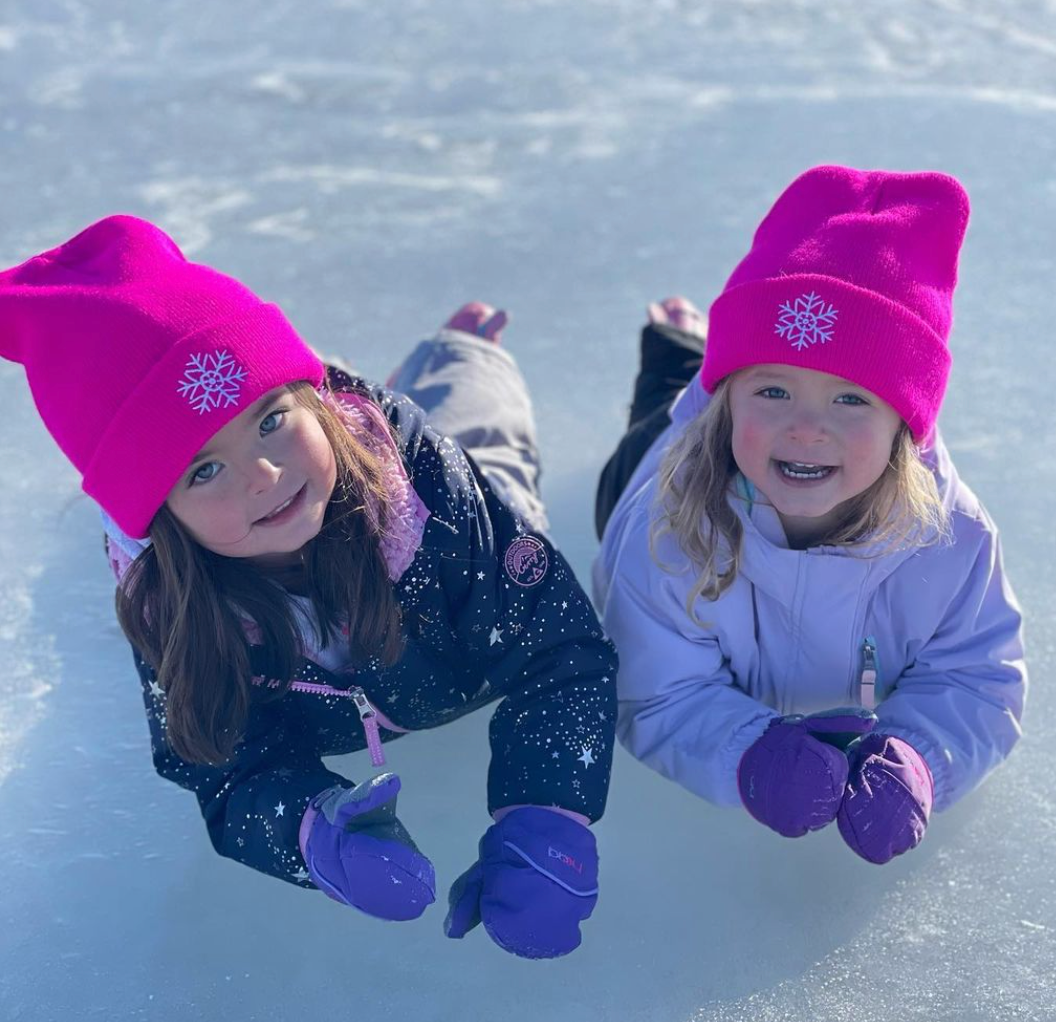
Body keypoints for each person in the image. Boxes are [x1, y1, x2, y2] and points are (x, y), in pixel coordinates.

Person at [0, 215, 616, 958]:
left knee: (490, 443)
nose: (264, 476)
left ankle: (463, 347)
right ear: (158, 520)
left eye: (270, 419)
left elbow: (560, 645)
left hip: (403, 497)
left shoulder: (425, 494)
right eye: (203, 469)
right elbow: (224, 766)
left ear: (307, 395)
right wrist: (313, 829)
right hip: (330, 478)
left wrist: (547, 817)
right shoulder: (173, 604)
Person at [593, 165, 1026, 865]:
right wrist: (749, 755)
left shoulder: (953, 539)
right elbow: (655, 691)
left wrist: (918, 759)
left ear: (903, 425)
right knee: (658, 404)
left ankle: (716, 354)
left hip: (733, 418)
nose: (806, 428)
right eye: (773, 390)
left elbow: (977, 678)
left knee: (729, 379)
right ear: (731, 399)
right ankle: (682, 351)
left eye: (851, 399)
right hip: (665, 458)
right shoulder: (666, 526)